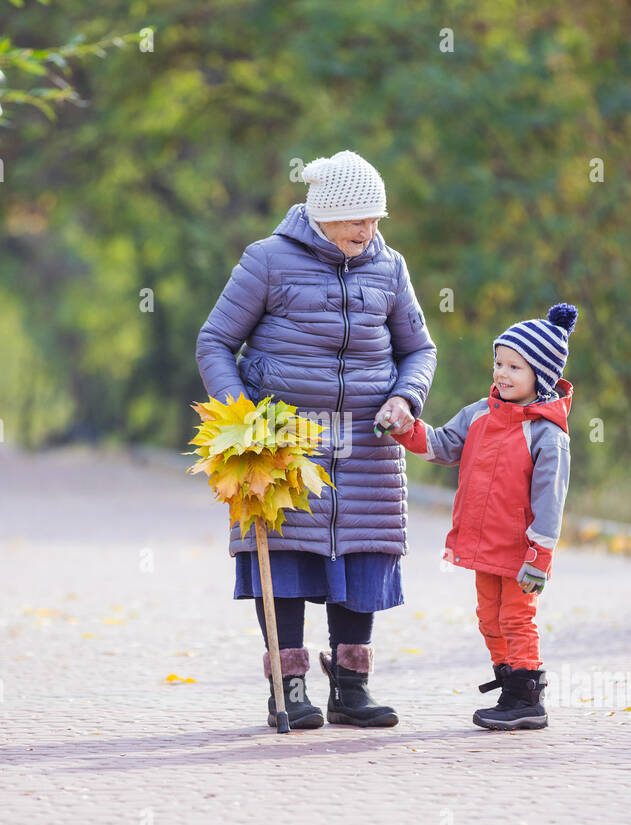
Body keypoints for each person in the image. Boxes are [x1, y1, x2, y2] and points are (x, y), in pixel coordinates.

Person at [195, 149, 437, 729]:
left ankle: (351, 689)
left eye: (376, 219)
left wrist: (406, 397)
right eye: (357, 219)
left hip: (367, 445)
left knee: (362, 554)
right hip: (282, 443)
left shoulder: (390, 267)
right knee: (286, 557)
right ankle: (289, 689)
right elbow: (214, 342)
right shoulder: (268, 261)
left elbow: (419, 349)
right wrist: (244, 417)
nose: (368, 230)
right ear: (324, 215)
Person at [393, 303, 578, 730]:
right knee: (488, 618)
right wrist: (405, 429)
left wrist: (540, 555)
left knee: (516, 617)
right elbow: (441, 446)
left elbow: (552, 500)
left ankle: (527, 695)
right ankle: (508, 681)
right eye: (499, 362)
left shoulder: (547, 434)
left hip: (521, 551)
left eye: (515, 366)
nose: (502, 373)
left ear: (541, 376)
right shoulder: (479, 413)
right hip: (483, 545)